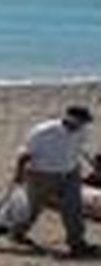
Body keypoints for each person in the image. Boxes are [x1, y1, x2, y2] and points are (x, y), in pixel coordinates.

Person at [7, 105, 100, 257]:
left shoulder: (82, 131)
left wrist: (94, 166)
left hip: (70, 173)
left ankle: (77, 244)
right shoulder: (43, 132)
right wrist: (19, 174)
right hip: (42, 174)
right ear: (71, 118)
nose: (84, 125)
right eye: (82, 121)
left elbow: (80, 149)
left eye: (85, 122)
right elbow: (24, 154)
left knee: (73, 208)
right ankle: (17, 232)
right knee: (33, 207)